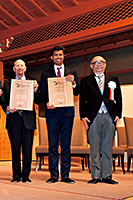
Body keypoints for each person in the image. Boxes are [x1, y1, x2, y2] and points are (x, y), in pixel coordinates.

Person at [39, 46, 80, 184]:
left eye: (60, 55)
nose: (58, 57)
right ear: (52, 57)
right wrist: (48, 101)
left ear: (64, 56)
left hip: (67, 113)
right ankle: (54, 175)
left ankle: (66, 175)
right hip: (52, 112)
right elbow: (42, 93)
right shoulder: (45, 74)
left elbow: (77, 91)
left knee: (66, 145)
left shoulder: (71, 72)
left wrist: (73, 83)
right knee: (52, 144)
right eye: (55, 55)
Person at [80, 56, 122, 184]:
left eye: (101, 62)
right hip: (93, 116)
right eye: (95, 63)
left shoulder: (113, 80)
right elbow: (82, 100)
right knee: (94, 147)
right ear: (91, 66)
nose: (98, 65)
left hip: (109, 116)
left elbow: (119, 99)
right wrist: (83, 116)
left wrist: (118, 114)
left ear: (105, 65)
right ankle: (96, 176)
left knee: (108, 147)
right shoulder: (86, 81)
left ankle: (107, 175)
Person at [2, 59, 40, 183]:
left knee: (27, 149)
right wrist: (6, 108)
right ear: (13, 69)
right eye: (17, 65)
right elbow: (3, 100)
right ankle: (16, 175)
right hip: (14, 119)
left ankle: (26, 176)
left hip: (28, 120)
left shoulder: (32, 83)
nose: (19, 68)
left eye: (21, 65)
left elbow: (39, 100)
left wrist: (35, 91)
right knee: (15, 149)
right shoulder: (7, 84)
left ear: (25, 68)